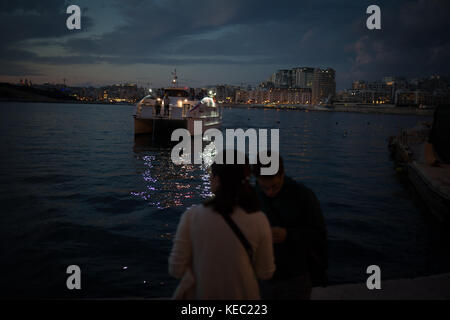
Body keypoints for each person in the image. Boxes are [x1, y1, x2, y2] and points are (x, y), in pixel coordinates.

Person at [168, 150, 276, 299]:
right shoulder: (259, 219)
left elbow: (175, 269)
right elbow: (266, 273)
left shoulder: (192, 217)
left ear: (217, 179)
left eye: (211, 175)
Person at [252, 153, 328, 300]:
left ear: (282, 175)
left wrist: (288, 235)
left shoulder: (303, 196)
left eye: (274, 187)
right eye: (264, 188)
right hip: (263, 276)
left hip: (295, 277)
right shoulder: (254, 195)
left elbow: (319, 235)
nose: (270, 192)